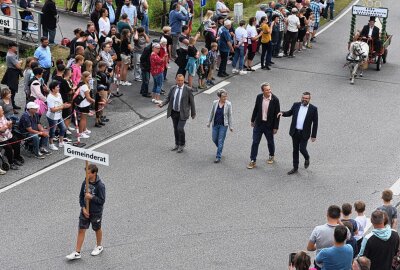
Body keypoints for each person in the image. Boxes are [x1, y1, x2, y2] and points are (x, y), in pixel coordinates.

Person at [66, 164, 106, 260]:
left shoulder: (100, 186)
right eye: (86, 173)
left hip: (96, 212)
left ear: (94, 173)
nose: (86, 175)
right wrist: (83, 207)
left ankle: (99, 246)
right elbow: (80, 196)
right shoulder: (85, 182)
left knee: (97, 228)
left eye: (88, 173)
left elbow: (102, 201)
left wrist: (91, 197)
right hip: (85, 211)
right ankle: (77, 252)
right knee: (81, 229)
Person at [277, 92, 318, 175]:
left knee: (302, 149)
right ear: (301, 98)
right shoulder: (296, 105)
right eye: (303, 98)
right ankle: (295, 167)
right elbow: (290, 112)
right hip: (295, 132)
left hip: (305, 133)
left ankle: (307, 157)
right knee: (295, 150)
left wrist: (313, 135)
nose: (304, 99)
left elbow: (315, 123)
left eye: (306, 98)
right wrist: (282, 113)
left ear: (309, 99)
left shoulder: (313, 109)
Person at [158, 74, 196, 153]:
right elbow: (168, 98)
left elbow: (192, 102)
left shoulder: (188, 89)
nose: (180, 82)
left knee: (180, 128)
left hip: (183, 113)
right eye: (178, 80)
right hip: (174, 112)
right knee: (176, 129)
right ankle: (177, 144)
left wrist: (193, 113)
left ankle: (182, 144)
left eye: (182, 80)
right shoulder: (173, 88)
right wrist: (162, 103)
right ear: (176, 80)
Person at [247, 82, 280, 169]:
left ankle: (271, 155)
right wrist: (252, 120)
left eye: (269, 89)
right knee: (255, 142)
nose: (269, 91)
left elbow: (277, 115)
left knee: (270, 142)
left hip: (269, 125)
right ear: (263, 91)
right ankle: (253, 160)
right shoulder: (259, 97)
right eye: (267, 90)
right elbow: (256, 109)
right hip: (258, 124)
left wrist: (276, 127)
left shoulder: (275, 100)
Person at [307, 205, 341, 270]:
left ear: (327, 214)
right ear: (339, 216)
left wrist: (318, 246)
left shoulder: (318, 230)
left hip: (320, 264)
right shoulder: (344, 230)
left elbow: (309, 247)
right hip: (337, 263)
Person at [207, 89, 233, 163]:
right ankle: (220, 148)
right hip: (215, 124)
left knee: (220, 140)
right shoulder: (215, 103)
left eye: (226, 96)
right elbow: (212, 113)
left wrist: (231, 126)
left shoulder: (229, 104)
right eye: (223, 97)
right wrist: (209, 122)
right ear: (219, 97)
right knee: (214, 139)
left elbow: (230, 115)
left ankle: (218, 156)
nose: (225, 98)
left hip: (223, 125)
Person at [46, 81, 70, 151]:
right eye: (57, 87)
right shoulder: (50, 97)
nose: (59, 88)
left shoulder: (59, 94)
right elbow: (52, 109)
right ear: (53, 89)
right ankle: (51, 144)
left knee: (63, 128)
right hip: (52, 116)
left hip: (59, 115)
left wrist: (64, 105)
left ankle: (61, 142)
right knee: (52, 130)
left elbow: (61, 104)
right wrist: (63, 107)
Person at [1, 42, 23, 112]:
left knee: (13, 91)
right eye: (15, 47)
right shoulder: (10, 55)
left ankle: (12, 104)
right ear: (11, 47)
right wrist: (20, 62)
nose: (16, 48)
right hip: (12, 74)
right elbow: (18, 66)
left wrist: (18, 62)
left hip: (13, 73)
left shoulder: (12, 54)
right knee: (12, 91)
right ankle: (11, 107)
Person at [0, 106, 23, 170]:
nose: (3, 111)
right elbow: (2, 130)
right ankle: (11, 162)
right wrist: (7, 125)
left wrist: (10, 124)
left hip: (8, 134)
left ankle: (16, 157)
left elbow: (9, 127)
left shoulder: (3, 116)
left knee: (16, 142)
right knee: (9, 147)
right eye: (2, 110)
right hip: (1, 138)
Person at [75, 71, 95, 139]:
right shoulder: (85, 86)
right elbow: (88, 98)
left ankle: (84, 129)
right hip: (84, 105)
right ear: (85, 77)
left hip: (82, 104)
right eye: (89, 77)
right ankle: (81, 133)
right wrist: (94, 101)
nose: (90, 78)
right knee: (83, 119)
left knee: (84, 118)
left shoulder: (81, 83)